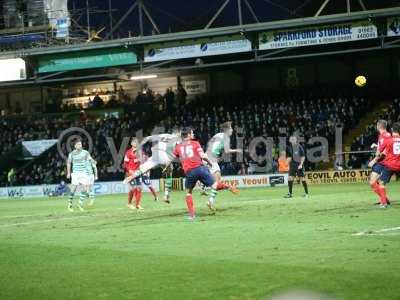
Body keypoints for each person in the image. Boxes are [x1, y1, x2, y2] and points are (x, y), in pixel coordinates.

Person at [123, 128, 181, 203]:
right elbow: (178, 150)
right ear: (178, 133)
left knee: (143, 168)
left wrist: (140, 145)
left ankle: (132, 176)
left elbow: (148, 138)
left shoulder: (162, 135)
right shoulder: (177, 139)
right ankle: (166, 195)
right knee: (169, 174)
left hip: (155, 154)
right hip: (165, 157)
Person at [173, 127, 219, 220]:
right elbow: (203, 156)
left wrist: (167, 167)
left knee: (188, 193)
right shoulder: (195, 143)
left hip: (189, 172)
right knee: (215, 185)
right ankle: (227, 187)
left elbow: (172, 158)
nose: (193, 134)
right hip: (200, 168)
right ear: (189, 135)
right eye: (192, 133)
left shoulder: (178, 147)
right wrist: (210, 163)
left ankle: (192, 215)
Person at [368, 121, 400, 208]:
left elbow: (385, 151)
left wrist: (374, 160)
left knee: (378, 182)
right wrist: (377, 147)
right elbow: (382, 148)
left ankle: (384, 201)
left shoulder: (388, 136)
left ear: (378, 126)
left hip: (385, 162)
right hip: (383, 161)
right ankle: (384, 199)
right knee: (372, 182)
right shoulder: (382, 136)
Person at [205, 121, 241, 194]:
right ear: (226, 130)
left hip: (208, 156)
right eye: (230, 128)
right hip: (211, 158)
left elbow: (209, 143)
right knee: (217, 182)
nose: (232, 130)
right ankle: (230, 187)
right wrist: (237, 150)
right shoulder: (226, 137)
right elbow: (227, 151)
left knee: (217, 182)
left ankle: (209, 197)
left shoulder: (218, 135)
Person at [66, 139, 95, 212]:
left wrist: (93, 161)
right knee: (73, 189)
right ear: (75, 146)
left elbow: (90, 159)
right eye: (78, 144)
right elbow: (69, 163)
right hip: (75, 173)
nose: (80, 145)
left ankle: (80, 203)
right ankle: (70, 204)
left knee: (85, 189)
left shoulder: (85, 152)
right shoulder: (71, 154)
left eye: (81, 144)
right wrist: (68, 173)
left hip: (83, 173)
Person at [123, 138, 143, 210]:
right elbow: (125, 164)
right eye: (134, 142)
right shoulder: (128, 152)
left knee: (139, 188)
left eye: (137, 142)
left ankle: (138, 205)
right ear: (131, 143)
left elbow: (142, 161)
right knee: (133, 188)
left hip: (138, 172)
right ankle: (129, 203)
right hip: (130, 173)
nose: (136, 143)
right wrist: (129, 170)